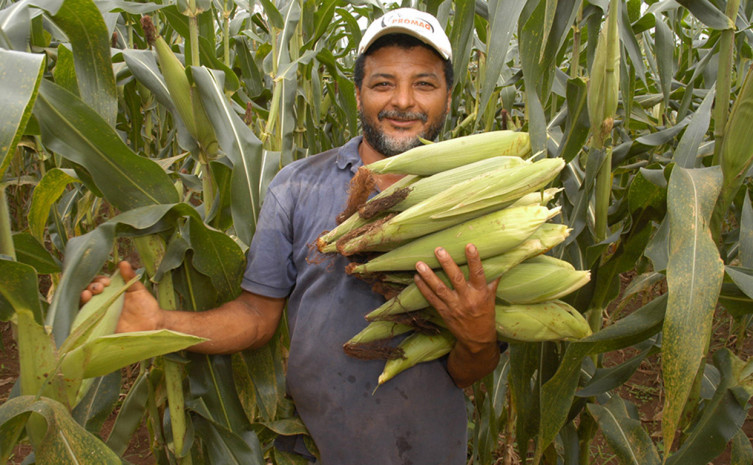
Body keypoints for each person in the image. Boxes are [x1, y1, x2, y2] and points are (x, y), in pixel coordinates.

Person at [83, 8, 502, 464]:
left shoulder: (479, 199)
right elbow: (256, 316)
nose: (403, 101)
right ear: (358, 93)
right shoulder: (296, 186)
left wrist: (478, 336)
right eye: (383, 83)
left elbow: (467, 371)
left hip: (427, 451)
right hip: (312, 447)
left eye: (424, 83)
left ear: (448, 95)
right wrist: (160, 323)